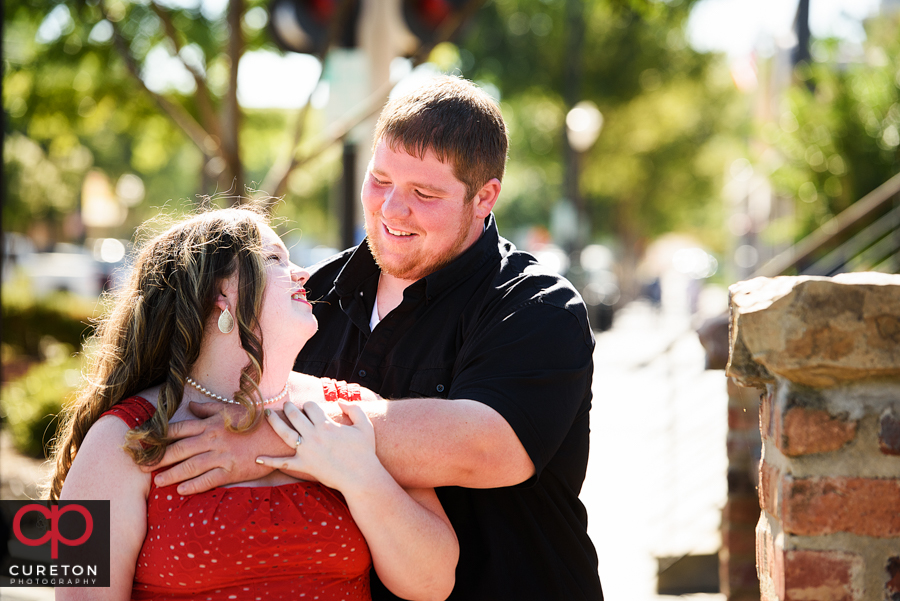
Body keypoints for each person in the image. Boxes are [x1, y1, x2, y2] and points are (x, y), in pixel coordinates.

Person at [151, 76, 604, 600]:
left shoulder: (537, 305)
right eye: (380, 180)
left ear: (485, 197)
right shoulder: (302, 305)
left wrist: (271, 437)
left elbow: (487, 449)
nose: (391, 209)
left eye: (424, 193)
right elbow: (62, 561)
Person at [50, 207, 458, 601]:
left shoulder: (351, 409)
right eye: (274, 259)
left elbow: (435, 583)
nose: (303, 273)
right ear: (219, 294)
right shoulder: (121, 436)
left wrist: (360, 476)